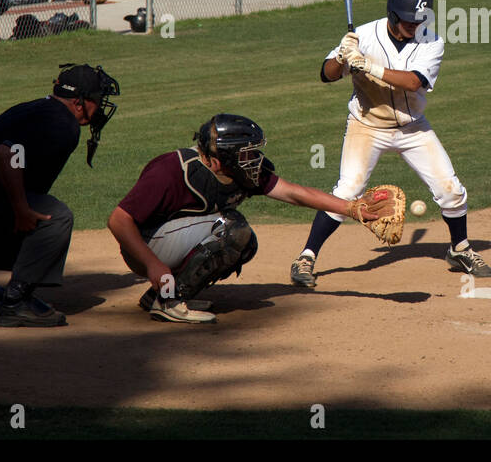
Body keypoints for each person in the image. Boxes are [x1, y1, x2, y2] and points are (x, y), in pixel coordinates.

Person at [290, 0, 491, 289]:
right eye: (410, 22)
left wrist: (368, 67)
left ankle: (460, 249)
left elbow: (414, 82)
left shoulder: (433, 42)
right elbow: (326, 75)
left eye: (419, 21)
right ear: (394, 15)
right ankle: (306, 256)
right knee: (346, 191)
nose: (415, 27)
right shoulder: (364, 36)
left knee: (451, 190)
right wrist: (340, 58)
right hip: (367, 127)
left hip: (413, 129)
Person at [107, 114, 387, 324]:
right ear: (217, 161)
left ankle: (163, 294)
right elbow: (119, 220)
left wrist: (353, 208)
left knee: (244, 242)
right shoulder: (172, 170)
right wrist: (153, 265)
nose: (253, 158)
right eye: (246, 153)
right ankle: (168, 302)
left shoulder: (241, 170)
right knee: (232, 229)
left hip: (171, 243)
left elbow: (295, 194)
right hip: (143, 247)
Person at [0, 63, 121, 327]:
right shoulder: (63, 123)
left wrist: (19, 206)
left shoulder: (38, 108)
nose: (100, 107)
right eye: (97, 99)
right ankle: (16, 301)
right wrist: (21, 208)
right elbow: (8, 153)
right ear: (78, 102)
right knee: (54, 217)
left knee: (23, 204)